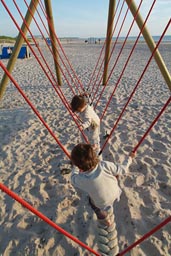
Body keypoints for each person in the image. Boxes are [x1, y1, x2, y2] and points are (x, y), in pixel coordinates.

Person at [70, 143, 135, 226]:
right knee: (114, 174)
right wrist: (129, 158)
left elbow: (72, 178)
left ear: (79, 167)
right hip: (116, 194)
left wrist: (74, 167)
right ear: (94, 156)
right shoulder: (105, 165)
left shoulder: (81, 179)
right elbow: (123, 169)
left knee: (91, 202)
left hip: (102, 204)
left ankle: (104, 219)